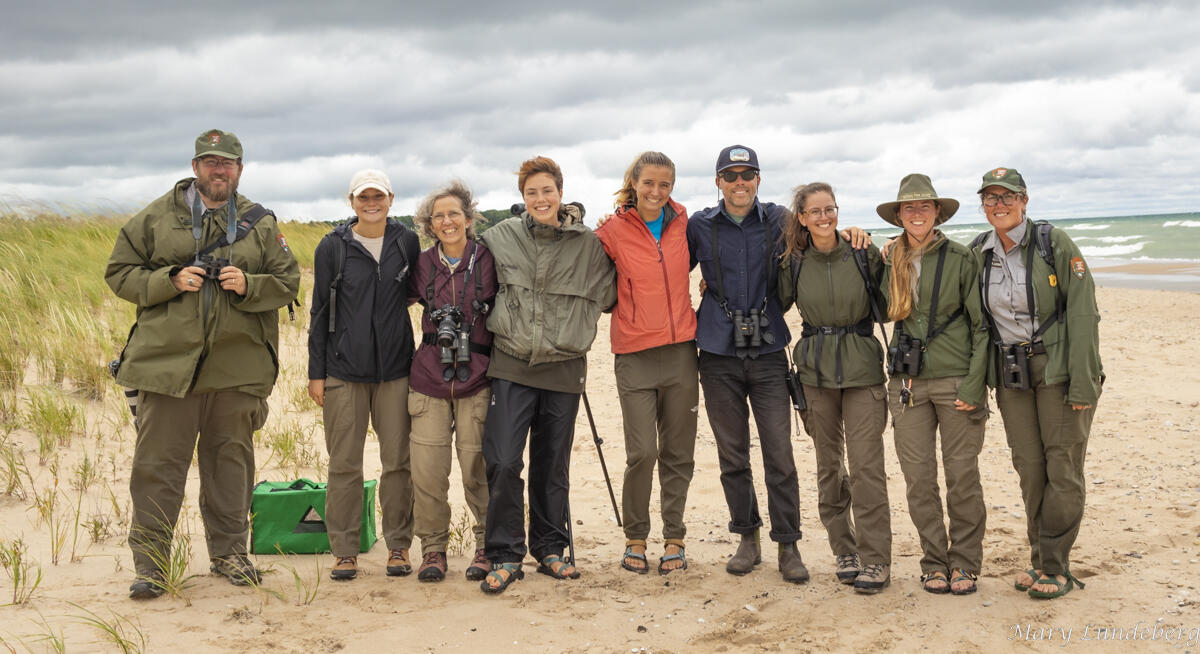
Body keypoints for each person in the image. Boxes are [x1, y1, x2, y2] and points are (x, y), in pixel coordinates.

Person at [105, 129, 300, 598]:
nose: (219, 170)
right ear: (195, 167)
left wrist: (248, 284)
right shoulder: (155, 218)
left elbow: (287, 281)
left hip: (238, 368)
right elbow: (119, 273)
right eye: (210, 162)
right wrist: (169, 280)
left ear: (239, 169)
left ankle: (230, 555)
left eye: (228, 163)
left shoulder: (261, 222)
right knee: (158, 467)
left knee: (230, 465)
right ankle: (151, 567)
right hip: (167, 367)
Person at [476, 156, 616, 593]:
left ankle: (551, 549)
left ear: (560, 192)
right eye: (531, 192)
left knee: (552, 466)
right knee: (502, 461)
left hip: (564, 369)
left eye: (547, 191)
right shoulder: (499, 237)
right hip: (511, 365)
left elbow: (613, 294)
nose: (540, 199)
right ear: (522, 198)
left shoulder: (589, 245)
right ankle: (504, 552)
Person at [969, 167, 1102, 600]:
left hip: (1059, 368)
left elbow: (1083, 312)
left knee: (1062, 465)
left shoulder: (1053, 243)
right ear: (983, 205)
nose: (999, 205)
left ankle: (1056, 565)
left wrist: (1084, 381)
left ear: (1024, 200)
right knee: (1030, 468)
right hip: (1012, 374)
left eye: (1007, 197)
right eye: (990, 198)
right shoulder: (978, 253)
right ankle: (1039, 557)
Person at [687, 144, 808, 583]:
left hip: (770, 350)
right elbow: (657, 253)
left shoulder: (780, 220)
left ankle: (789, 544)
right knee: (732, 453)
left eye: (748, 175)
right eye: (731, 176)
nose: (740, 183)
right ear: (718, 182)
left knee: (780, 453)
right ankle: (747, 537)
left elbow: (820, 227)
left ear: (759, 179)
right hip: (717, 353)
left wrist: (856, 232)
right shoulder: (699, 224)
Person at [778, 182, 892, 593]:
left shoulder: (862, 252)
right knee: (829, 467)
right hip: (814, 375)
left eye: (831, 209)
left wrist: (883, 247)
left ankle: (876, 559)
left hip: (863, 372)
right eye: (815, 212)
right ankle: (844, 550)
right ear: (803, 219)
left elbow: (893, 298)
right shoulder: (793, 262)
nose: (825, 217)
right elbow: (773, 303)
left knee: (866, 468)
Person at [877, 173, 989, 595]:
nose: (917, 213)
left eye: (925, 206)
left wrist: (975, 386)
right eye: (909, 207)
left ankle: (964, 563)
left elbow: (982, 328)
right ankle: (933, 562)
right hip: (906, 384)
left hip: (957, 379)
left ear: (937, 212)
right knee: (918, 478)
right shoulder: (888, 259)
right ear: (899, 215)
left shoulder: (962, 258)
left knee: (962, 475)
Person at [307, 169, 420, 581]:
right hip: (342, 373)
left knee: (398, 464)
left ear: (391, 198)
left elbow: (415, 295)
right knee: (344, 465)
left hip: (395, 372)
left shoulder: (406, 241)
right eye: (362, 197)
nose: (371, 203)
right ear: (351, 201)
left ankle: (399, 546)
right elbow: (320, 312)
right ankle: (344, 551)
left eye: (378, 196)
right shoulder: (332, 247)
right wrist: (316, 373)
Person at [595, 152, 698, 576]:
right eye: (649, 183)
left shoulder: (687, 225)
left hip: (681, 354)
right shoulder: (610, 231)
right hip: (634, 355)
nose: (657, 192)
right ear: (634, 182)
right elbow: (594, 285)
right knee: (642, 453)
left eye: (666, 185)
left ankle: (674, 538)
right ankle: (635, 537)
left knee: (679, 453)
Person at [406, 180, 496, 583]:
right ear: (429, 223)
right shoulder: (421, 263)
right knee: (427, 471)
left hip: (478, 376)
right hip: (428, 376)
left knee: (478, 467)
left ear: (468, 218)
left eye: (454, 214)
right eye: (439, 216)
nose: (447, 221)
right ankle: (433, 550)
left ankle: (487, 545)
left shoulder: (490, 258)